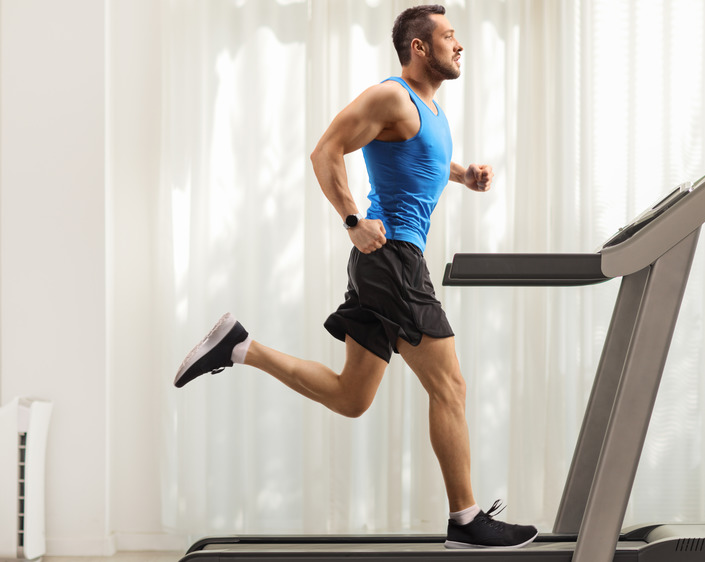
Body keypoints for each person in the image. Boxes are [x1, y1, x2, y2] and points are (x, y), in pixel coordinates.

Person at [173, 4, 538, 551]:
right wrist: (351, 221)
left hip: (385, 263)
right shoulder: (392, 95)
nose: (460, 45)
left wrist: (465, 174)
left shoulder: (431, 111)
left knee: (351, 397)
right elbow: (325, 151)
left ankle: (240, 346)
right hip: (392, 259)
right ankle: (465, 520)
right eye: (449, 36)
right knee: (451, 386)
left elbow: (423, 164)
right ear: (420, 47)